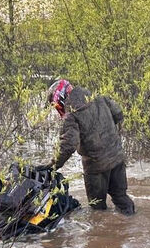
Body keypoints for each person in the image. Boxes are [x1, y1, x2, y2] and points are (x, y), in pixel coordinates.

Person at [45, 79, 136, 215]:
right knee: (121, 198)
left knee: (97, 208)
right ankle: (130, 229)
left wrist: (52, 166)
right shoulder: (98, 96)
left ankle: (102, 236)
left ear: (60, 99)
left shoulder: (71, 115)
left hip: (96, 166)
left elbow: (68, 146)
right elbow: (118, 113)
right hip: (117, 157)